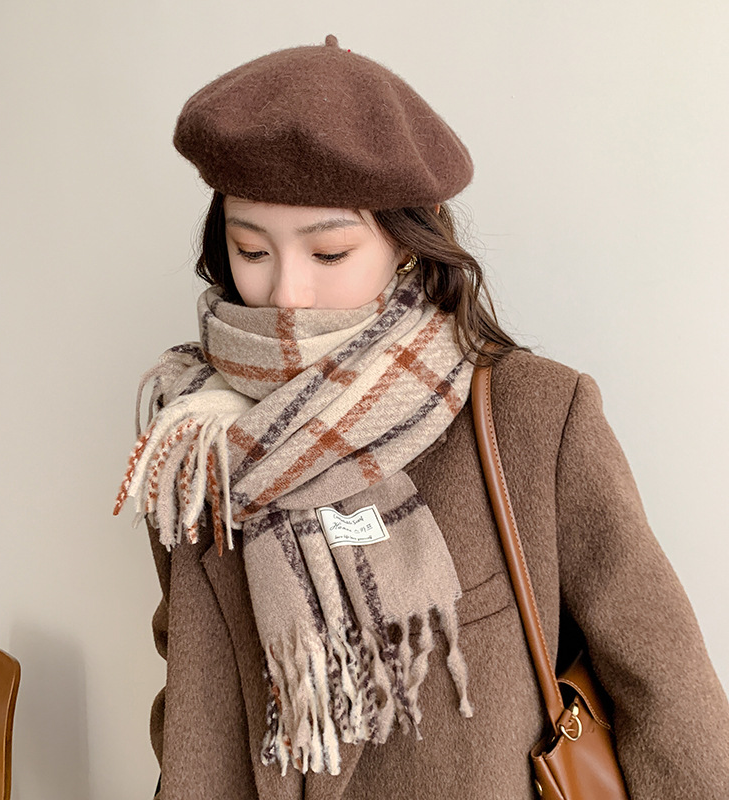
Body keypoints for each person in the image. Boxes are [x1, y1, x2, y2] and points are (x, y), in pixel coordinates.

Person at [114, 34, 729, 799]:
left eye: (329, 254)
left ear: (407, 243)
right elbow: (190, 673)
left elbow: (667, 694)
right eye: (252, 249)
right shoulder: (194, 439)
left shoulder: (535, 418)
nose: (287, 293)